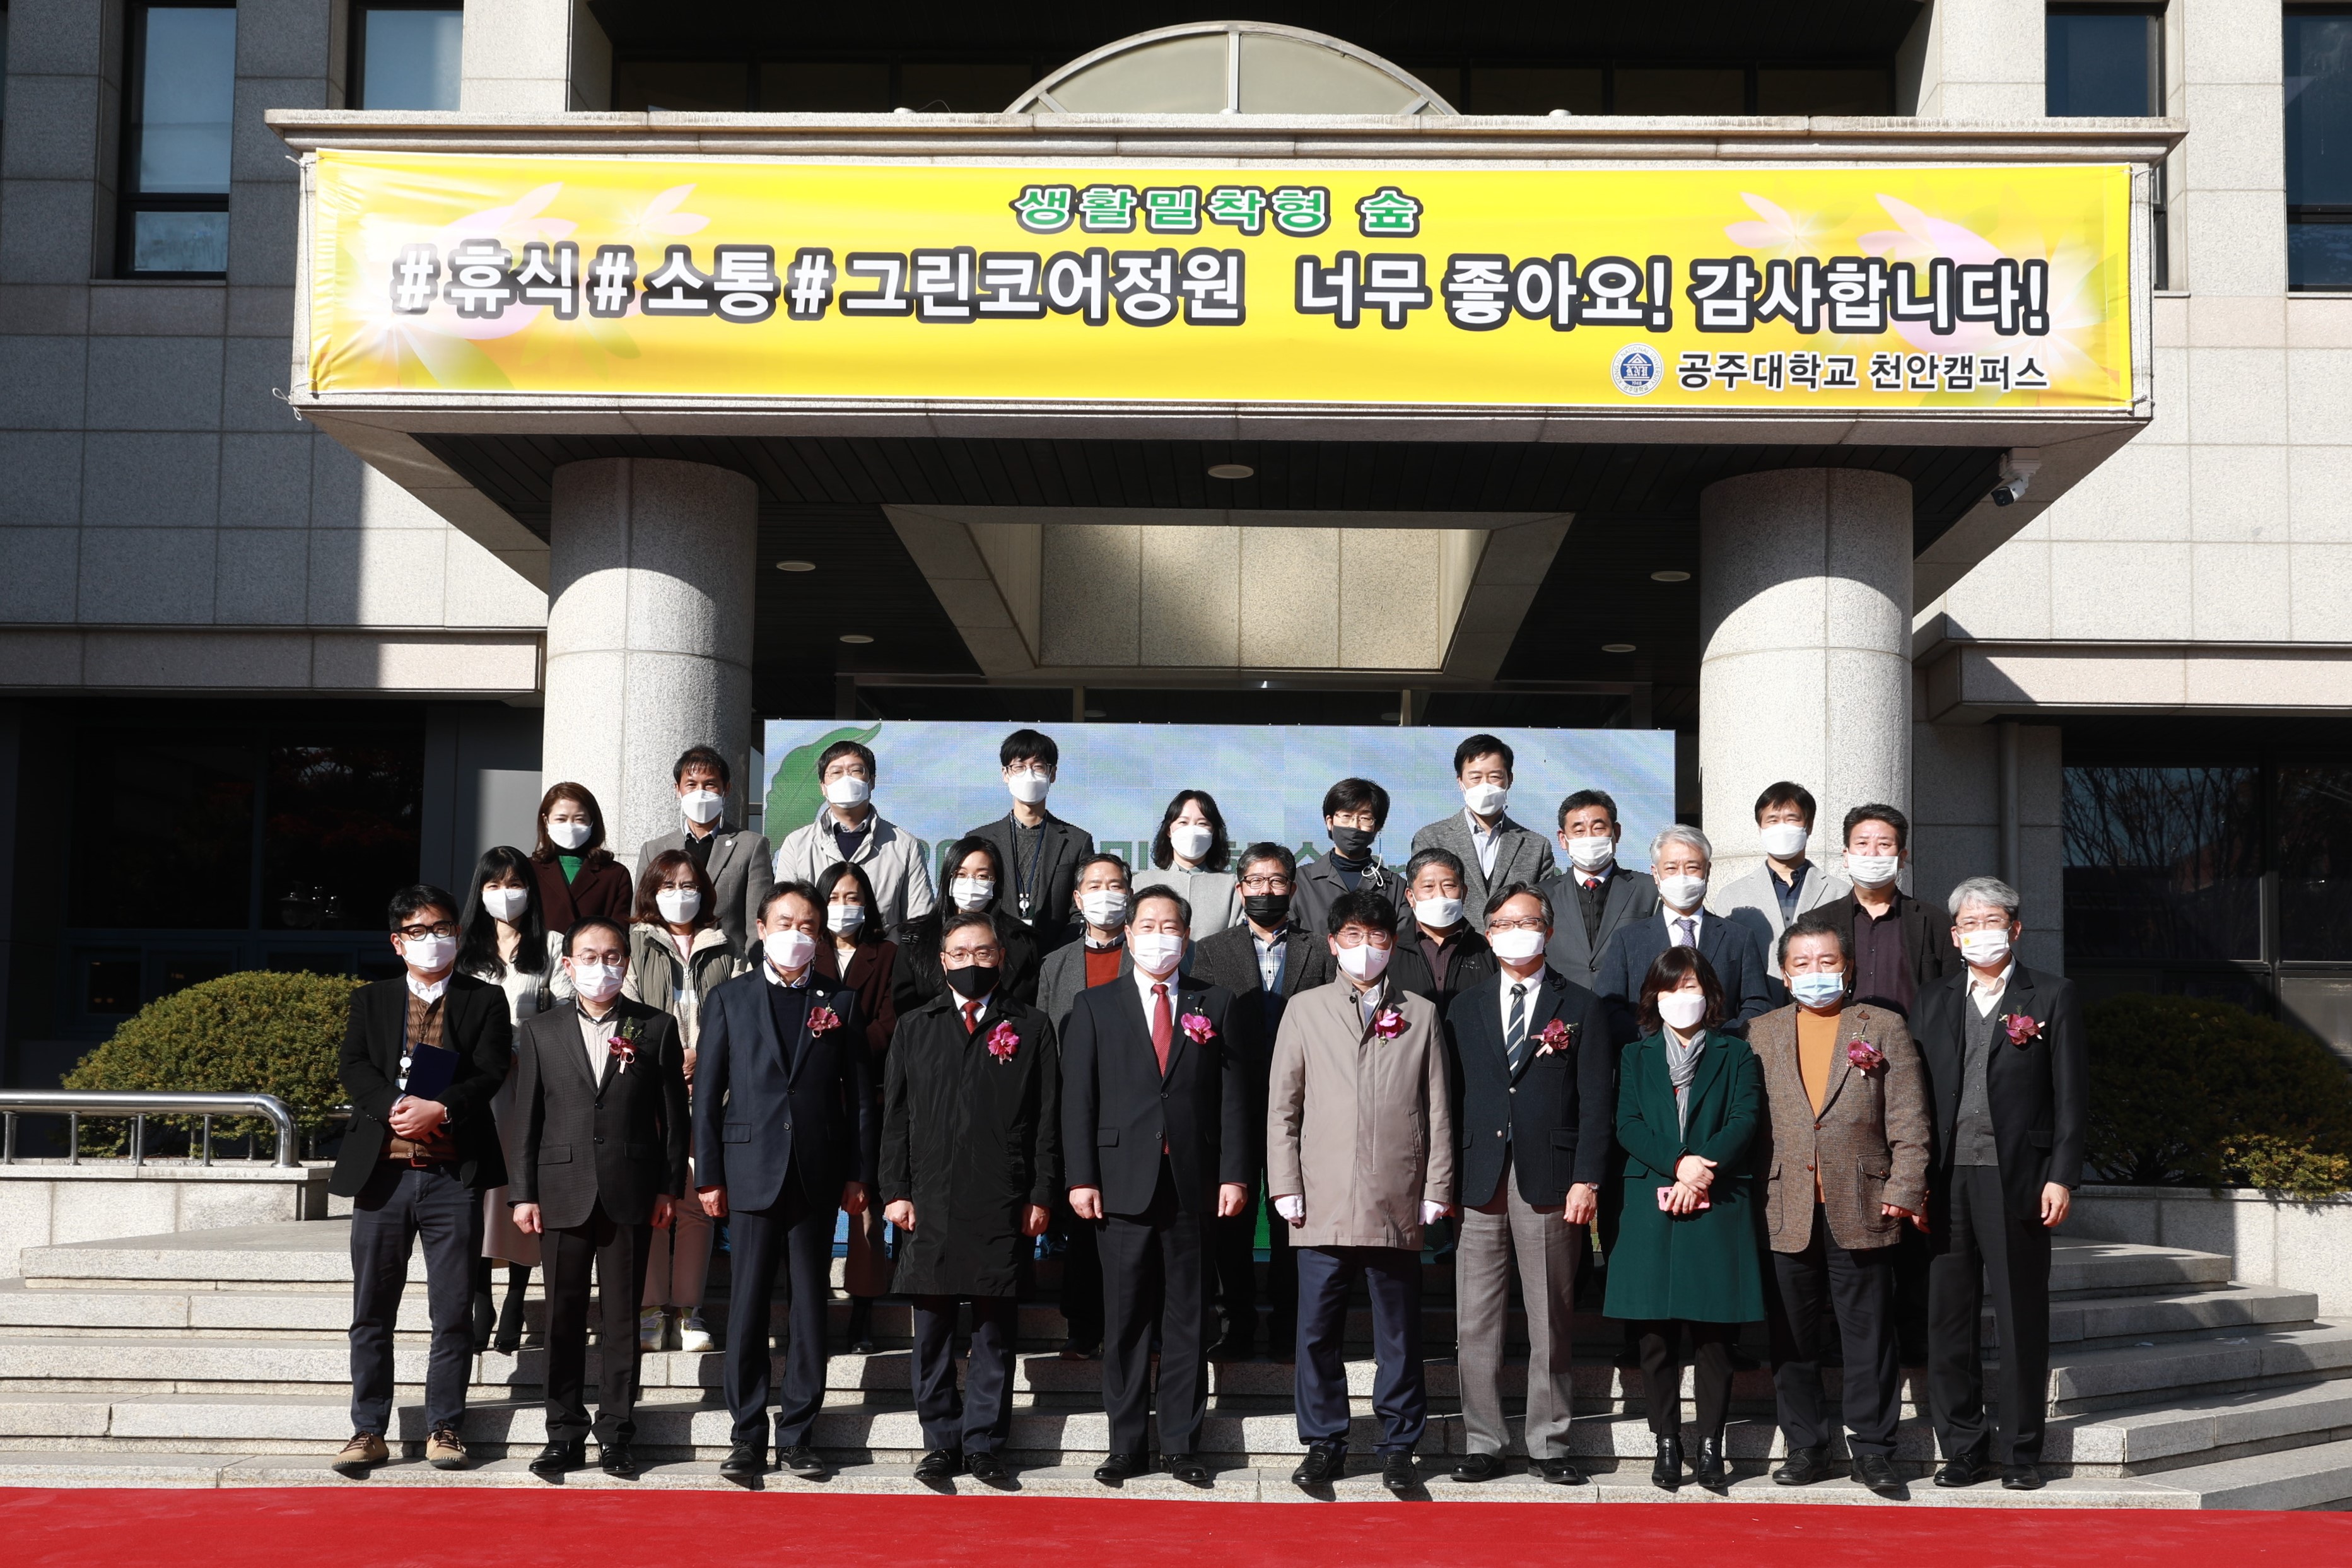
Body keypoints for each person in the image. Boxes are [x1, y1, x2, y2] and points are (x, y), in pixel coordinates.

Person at [1060, 888, 1251, 1486]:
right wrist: (1081, 1177)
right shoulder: (1094, 1005)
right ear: (1128, 933)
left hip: (1193, 1182)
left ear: (1187, 936)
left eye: (1170, 926)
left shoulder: (1215, 1002)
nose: (1159, 936)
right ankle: (1125, 1444)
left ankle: (1180, 1443)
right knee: (1125, 1319)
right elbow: (1077, 1100)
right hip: (1120, 1183)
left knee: (1188, 1317)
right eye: (1147, 925)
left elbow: (1233, 1099)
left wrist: (1234, 1172)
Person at [1268, 889, 1455, 1497]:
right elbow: (1283, 1108)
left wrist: (1437, 1184)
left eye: (1376, 937)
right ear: (1332, 943)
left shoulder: (1420, 1012)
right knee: (1316, 1331)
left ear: (1392, 944)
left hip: (1394, 1194)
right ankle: (1324, 1442)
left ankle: (1399, 1444)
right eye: (1352, 936)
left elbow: (1438, 1108)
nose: (1365, 948)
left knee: (1397, 1332)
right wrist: (1284, 1183)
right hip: (1320, 1197)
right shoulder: (1304, 1009)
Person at [329, 886, 514, 1479]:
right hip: (381, 1177)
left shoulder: (484, 999)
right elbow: (354, 1066)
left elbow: (491, 1069)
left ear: (458, 935)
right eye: (417, 931)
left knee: (453, 1309)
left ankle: (445, 1426)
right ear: (397, 942)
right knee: (371, 1311)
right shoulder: (371, 999)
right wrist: (394, 1106)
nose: (431, 940)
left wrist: (442, 1108)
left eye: (442, 929)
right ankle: (368, 1429)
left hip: (451, 1176)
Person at [693, 883, 875, 1483]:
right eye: (785, 923)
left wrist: (858, 1172)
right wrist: (709, 1174)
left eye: (808, 926)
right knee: (746, 1307)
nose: (796, 934)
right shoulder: (729, 998)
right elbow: (707, 1095)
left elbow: (859, 1100)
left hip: (817, 1174)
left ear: (819, 936)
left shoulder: (839, 1002)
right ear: (761, 928)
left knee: (809, 1309)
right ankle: (746, 1434)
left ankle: (798, 1433)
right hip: (748, 1171)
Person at [1916, 876, 2087, 1493]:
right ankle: (1961, 1448)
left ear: (2014, 928)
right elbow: (1912, 1096)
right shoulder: (1931, 998)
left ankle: (2019, 1451)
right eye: (1969, 922)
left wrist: (2062, 1175)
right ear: (1954, 934)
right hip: (1945, 1178)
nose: (1980, 931)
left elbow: (2071, 1096)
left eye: (1992, 921)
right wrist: (1911, 1179)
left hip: (2018, 1177)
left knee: (2020, 1316)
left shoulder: (2051, 994)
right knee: (1948, 1319)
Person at [1750, 910, 1929, 1500]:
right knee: (1792, 1335)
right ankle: (1805, 1445)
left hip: (1863, 1200)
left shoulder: (1881, 1025)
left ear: (1847, 968)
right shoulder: (1761, 1032)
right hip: (1785, 1203)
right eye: (1801, 963)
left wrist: (1904, 1187)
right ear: (1784, 974)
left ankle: (1873, 1449)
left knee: (1868, 1333)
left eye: (1827, 961)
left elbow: (1908, 1117)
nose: (1815, 972)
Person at [881, 911, 1061, 1486]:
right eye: (960, 954)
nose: (972, 963)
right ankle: (940, 1442)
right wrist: (895, 1191)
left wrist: (1040, 1193)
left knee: (993, 1333)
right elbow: (895, 1118)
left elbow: (1046, 1120)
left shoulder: (1030, 1026)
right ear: (942, 961)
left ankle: (983, 1443)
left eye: (983, 953)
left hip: (1000, 1197)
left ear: (1001, 958)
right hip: (929, 1199)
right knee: (932, 1332)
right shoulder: (916, 1025)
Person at [1442, 883, 1612, 1487]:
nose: (1517, 932)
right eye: (1505, 923)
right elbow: (1449, 1099)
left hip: (1552, 1179)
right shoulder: (1462, 1007)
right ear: (1489, 934)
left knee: (1550, 1318)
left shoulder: (1582, 1006)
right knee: (1475, 1321)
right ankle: (1483, 1441)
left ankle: (1550, 1442)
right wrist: (1444, 1181)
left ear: (1549, 930)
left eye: (1529, 922)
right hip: (1478, 1177)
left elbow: (1596, 1103)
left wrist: (1587, 1178)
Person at [508, 918, 689, 1480]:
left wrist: (669, 1188)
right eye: (589, 956)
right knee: (562, 1318)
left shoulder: (654, 1027)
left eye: (612, 956)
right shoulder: (541, 1030)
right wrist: (523, 1194)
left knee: (622, 1320)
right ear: (568, 964)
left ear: (626, 963)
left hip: (629, 1190)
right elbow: (526, 1119)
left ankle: (616, 1432)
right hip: (560, 1191)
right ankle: (562, 1433)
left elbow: (672, 1118)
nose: (601, 966)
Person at [1603, 946, 1766, 1495]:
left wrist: (1699, 1172)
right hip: (1650, 1197)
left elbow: (1744, 1118)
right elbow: (1627, 1123)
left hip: (1716, 1198)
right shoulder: (1634, 1055)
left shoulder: (1736, 1054)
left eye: (1691, 986)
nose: (1681, 997)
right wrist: (1677, 1165)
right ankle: (1667, 1442)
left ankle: (1710, 1444)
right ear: (1653, 997)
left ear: (1710, 994)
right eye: (1670, 988)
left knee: (1714, 1334)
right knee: (1654, 1335)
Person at [1186, 841, 1314, 1362]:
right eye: (1256, 881)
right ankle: (1233, 1326)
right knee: (1230, 1222)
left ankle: (1289, 1328)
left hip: (1302, 1110)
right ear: (1239, 889)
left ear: (1293, 888)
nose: (1266, 890)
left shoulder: (1319, 950)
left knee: (1293, 1220)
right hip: (1231, 1107)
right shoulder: (1210, 951)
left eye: (1276, 880)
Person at [621, 849, 740, 1355]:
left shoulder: (726, 947)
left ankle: (690, 1311)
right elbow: (624, 1016)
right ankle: (650, 1309)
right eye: (667, 886)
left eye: (688, 885)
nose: (679, 895)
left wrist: (704, 1062)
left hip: (711, 1093)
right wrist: (668, 1060)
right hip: (650, 1092)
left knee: (696, 1204)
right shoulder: (632, 945)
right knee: (653, 1201)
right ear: (651, 892)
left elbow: (739, 1017)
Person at [455, 846, 565, 1355]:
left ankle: (517, 1298)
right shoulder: (463, 947)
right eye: (494, 885)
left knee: (523, 1186)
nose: (506, 894)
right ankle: (481, 1299)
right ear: (480, 891)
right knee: (480, 1190)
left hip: (530, 1083)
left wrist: (525, 1050)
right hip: (477, 1088)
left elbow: (564, 1012)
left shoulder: (552, 945)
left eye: (515, 884)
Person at [1031, 851, 1133, 1359]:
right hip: (1079, 1107)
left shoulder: (1150, 954)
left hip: (1136, 1108)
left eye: (1115, 885)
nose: (1105, 895)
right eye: (1094, 886)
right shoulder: (1056, 964)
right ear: (1077, 897)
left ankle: (1138, 1325)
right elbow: (1045, 1038)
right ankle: (1083, 1324)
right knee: (1084, 1219)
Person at [812, 859, 901, 1354]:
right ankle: (812, 1305)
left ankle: (863, 1311)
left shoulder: (885, 954)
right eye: (834, 898)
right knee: (816, 1208)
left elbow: (892, 1020)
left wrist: (844, 1043)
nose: (843, 907)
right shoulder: (807, 950)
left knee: (868, 1209)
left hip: (872, 1092)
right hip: (820, 1096)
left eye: (853, 898)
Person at [1594, 824, 1774, 1043]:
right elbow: (1608, 1005)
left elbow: (1758, 1004)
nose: (1682, 876)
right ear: (1656, 874)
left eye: (1692, 867)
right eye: (1671, 868)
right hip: (1647, 1056)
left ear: (1707, 871)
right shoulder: (1628, 940)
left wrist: (1719, 1042)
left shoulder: (1738, 938)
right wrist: (1655, 1043)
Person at [772, 736, 936, 932]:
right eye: (836, 772)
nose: (846, 779)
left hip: (883, 950)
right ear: (823, 786)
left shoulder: (905, 845)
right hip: (816, 950)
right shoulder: (797, 844)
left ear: (872, 781)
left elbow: (919, 919)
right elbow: (783, 911)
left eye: (856, 771)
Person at [633, 744, 776, 964]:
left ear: (726, 789)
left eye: (710, 784)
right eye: (691, 785)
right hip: (666, 965)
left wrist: (749, 971)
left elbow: (757, 923)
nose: (700, 792)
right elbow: (640, 919)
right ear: (677, 790)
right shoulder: (654, 850)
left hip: (729, 964)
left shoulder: (751, 846)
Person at [1821, 804, 1958, 1019]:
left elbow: (1953, 992)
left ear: (1902, 858)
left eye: (1884, 844)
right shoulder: (1819, 921)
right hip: (1837, 1036)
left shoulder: (1933, 921)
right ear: (1846, 856)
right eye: (1862, 843)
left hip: (1912, 1037)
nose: (1872, 853)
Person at [1408, 734, 1558, 931]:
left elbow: (1542, 910)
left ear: (1509, 780)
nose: (1485, 786)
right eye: (1476, 778)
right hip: (1453, 945)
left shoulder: (1536, 846)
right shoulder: (1431, 839)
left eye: (1495, 777)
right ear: (1460, 781)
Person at [966, 728, 1095, 951]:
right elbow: (970, 906)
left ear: (1052, 774)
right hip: (995, 955)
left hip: (1054, 955)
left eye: (1038, 767)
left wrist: (1058, 956)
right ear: (1005, 774)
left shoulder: (1077, 841)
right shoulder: (980, 839)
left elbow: (1080, 909)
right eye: (1019, 767)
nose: (1029, 774)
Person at [892, 836, 1041, 1012]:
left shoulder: (1022, 940)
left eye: (982, 876)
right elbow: (904, 1010)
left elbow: (1027, 1009)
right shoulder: (916, 939)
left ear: (996, 883)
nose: (971, 883)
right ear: (948, 879)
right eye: (961, 874)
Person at [1535, 790, 1659, 991]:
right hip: (1565, 1005)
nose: (1589, 838)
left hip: (1631, 1006)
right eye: (1579, 830)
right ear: (1563, 839)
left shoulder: (1650, 890)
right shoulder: (1542, 895)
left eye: (1599, 828)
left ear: (1616, 832)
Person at [1712, 781, 1847, 956]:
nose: (1782, 828)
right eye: (1773, 820)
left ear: (1809, 826)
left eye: (1792, 819)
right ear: (1760, 828)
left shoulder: (1840, 892)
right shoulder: (1732, 896)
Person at [1292, 778, 1407, 940]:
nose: (1354, 826)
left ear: (1377, 827)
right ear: (1330, 822)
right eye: (1346, 816)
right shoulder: (1300, 881)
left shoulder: (1395, 887)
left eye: (1365, 818)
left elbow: (1402, 944)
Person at [1133, 789, 1243, 938]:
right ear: (1169, 830)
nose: (1192, 830)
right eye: (1183, 822)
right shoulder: (1141, 883)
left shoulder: (1231, 886)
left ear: (1214, 832)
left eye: (1202, 823)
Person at [530, 782, 633, 935]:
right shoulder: (529, 869)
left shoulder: (615, 874)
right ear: (546, 821)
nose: (570, 827)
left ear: (592, 821)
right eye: (561, 819)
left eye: (579, 819)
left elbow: (619, 933)